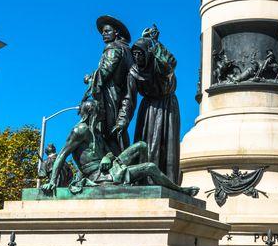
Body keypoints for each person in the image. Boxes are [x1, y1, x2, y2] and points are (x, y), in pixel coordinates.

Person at [46, 99, 197, 197]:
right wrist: (53, 181)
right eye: (100, 110)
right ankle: (179, 190)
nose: (103, 114)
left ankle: (141, 185)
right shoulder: (80, 130)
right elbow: (62, 155)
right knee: (150, 167)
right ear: (92, 112)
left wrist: (107, 157)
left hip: (109, 167)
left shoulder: (96, 132)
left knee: (142, 146)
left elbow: (110, 154)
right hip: (99, 176)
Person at [116, 25, 182, 184]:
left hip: (167, 107)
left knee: (167, 147)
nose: (137, 57)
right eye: (135, 54)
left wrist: (153, 42)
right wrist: (123, 119)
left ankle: (167, 183)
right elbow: (129, 98)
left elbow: (170, 65)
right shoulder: (133, 71)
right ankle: (144, 182)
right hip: (148, 110)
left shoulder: (159, 65)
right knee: (147, 146)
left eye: (140, 53)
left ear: (147, 53)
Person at [84, 15, 133, 156]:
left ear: (116, 32)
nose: (104, 34)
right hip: (121, 95)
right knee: (116, 132)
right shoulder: (126, 50)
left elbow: (105, 71)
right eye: (103, 32)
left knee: (106, 130)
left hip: (110, 95)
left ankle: (115, 161)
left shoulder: (113, 48)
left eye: (107, 31)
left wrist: (90, 78)